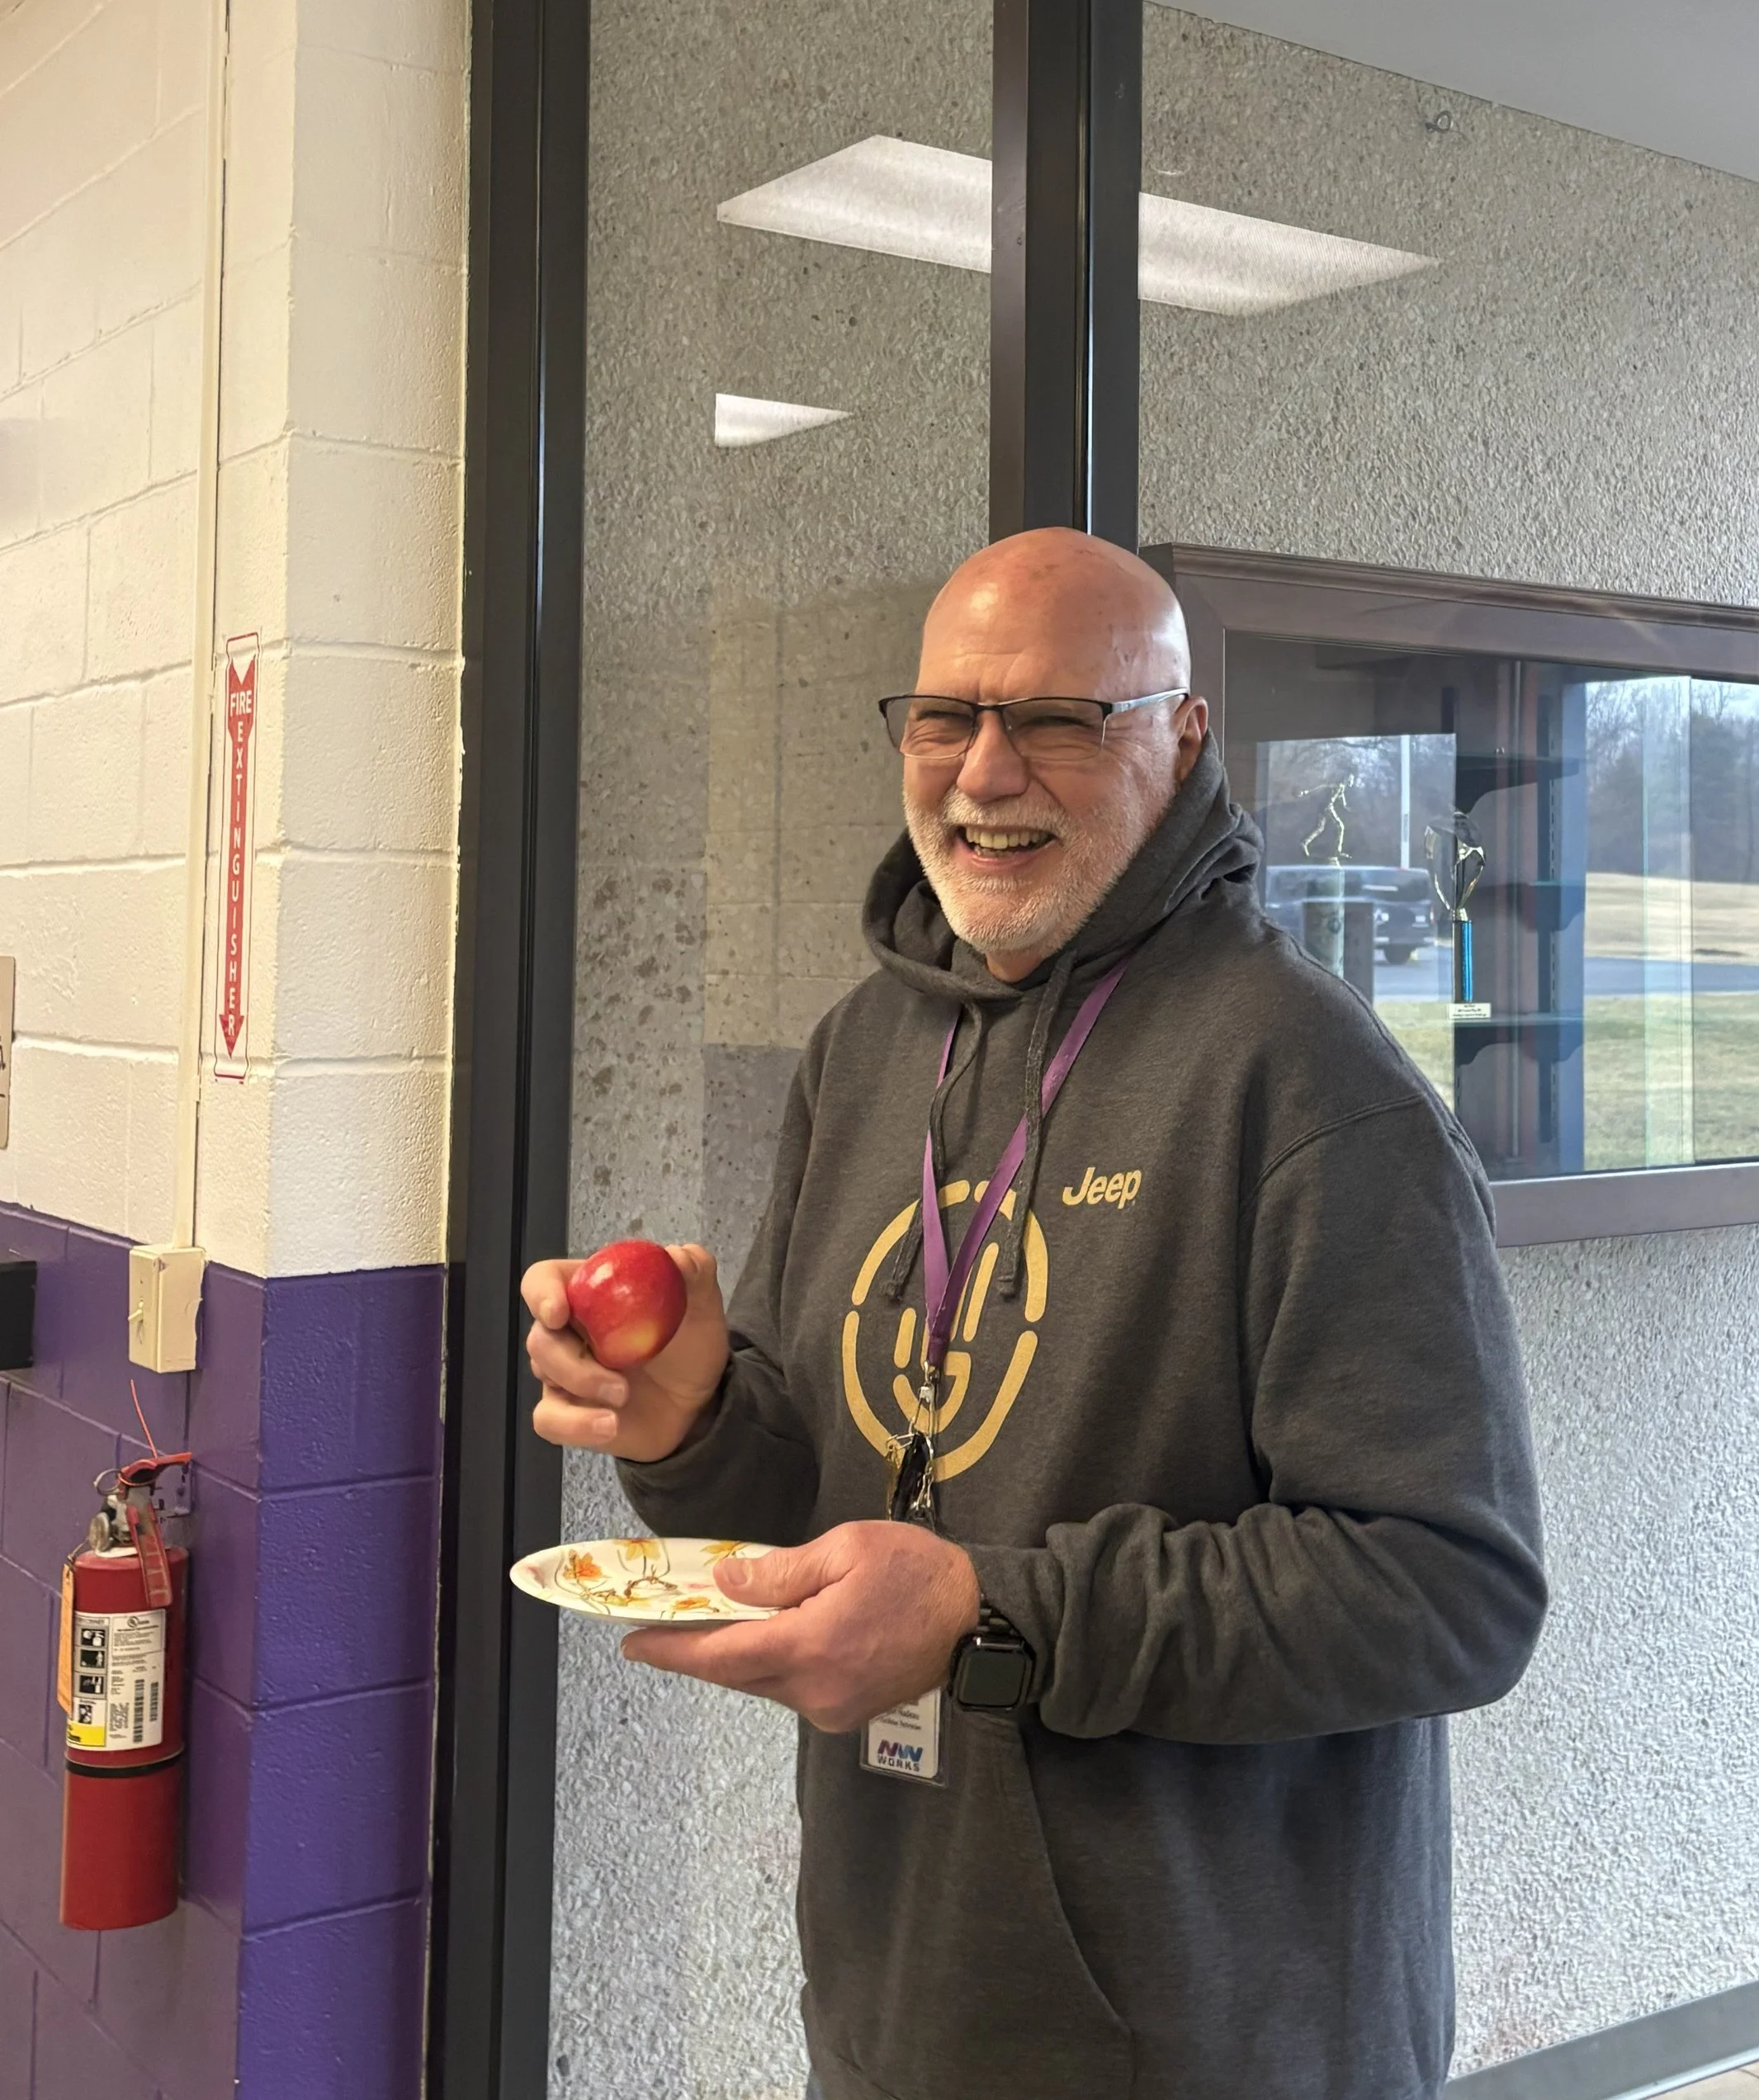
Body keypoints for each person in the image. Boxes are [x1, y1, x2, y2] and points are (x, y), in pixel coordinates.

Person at [524, 527, 1545, 2100]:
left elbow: (1450, 1587)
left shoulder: (1311, 1087)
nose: (985, 773)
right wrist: (698, 1425)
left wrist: (994, 1616)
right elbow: (826, 1504)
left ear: (1182, 738)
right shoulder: (866, 1051)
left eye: (1059, 720)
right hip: (896, 2000)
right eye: (945, 718)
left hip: (1219, 2041)